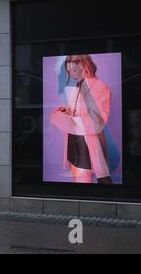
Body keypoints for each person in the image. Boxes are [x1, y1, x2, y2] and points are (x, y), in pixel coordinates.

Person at [51, 55, 112, 184]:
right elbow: (79, 110)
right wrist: (67, 111)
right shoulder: (79, 86)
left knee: (99, 185)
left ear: (84, 66)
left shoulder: (99, 86)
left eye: (73, 70)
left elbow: (98, 122)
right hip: (75, 146)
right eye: (69, 71)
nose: (71, 75)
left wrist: (65, 120)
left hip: (88, 147)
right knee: (79, 185)